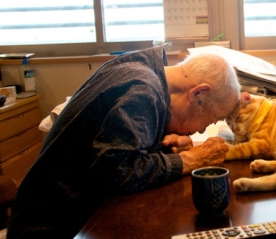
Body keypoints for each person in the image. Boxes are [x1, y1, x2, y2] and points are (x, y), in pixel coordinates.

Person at [7, 46, 240, 239]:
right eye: (212, 118)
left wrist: (161, 147)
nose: (201, 128)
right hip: (53, 229)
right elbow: (114, 172)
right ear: (198, 94)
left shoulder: (143, 67)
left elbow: (109, 147)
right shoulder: (142, 90)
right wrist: (188, 160)